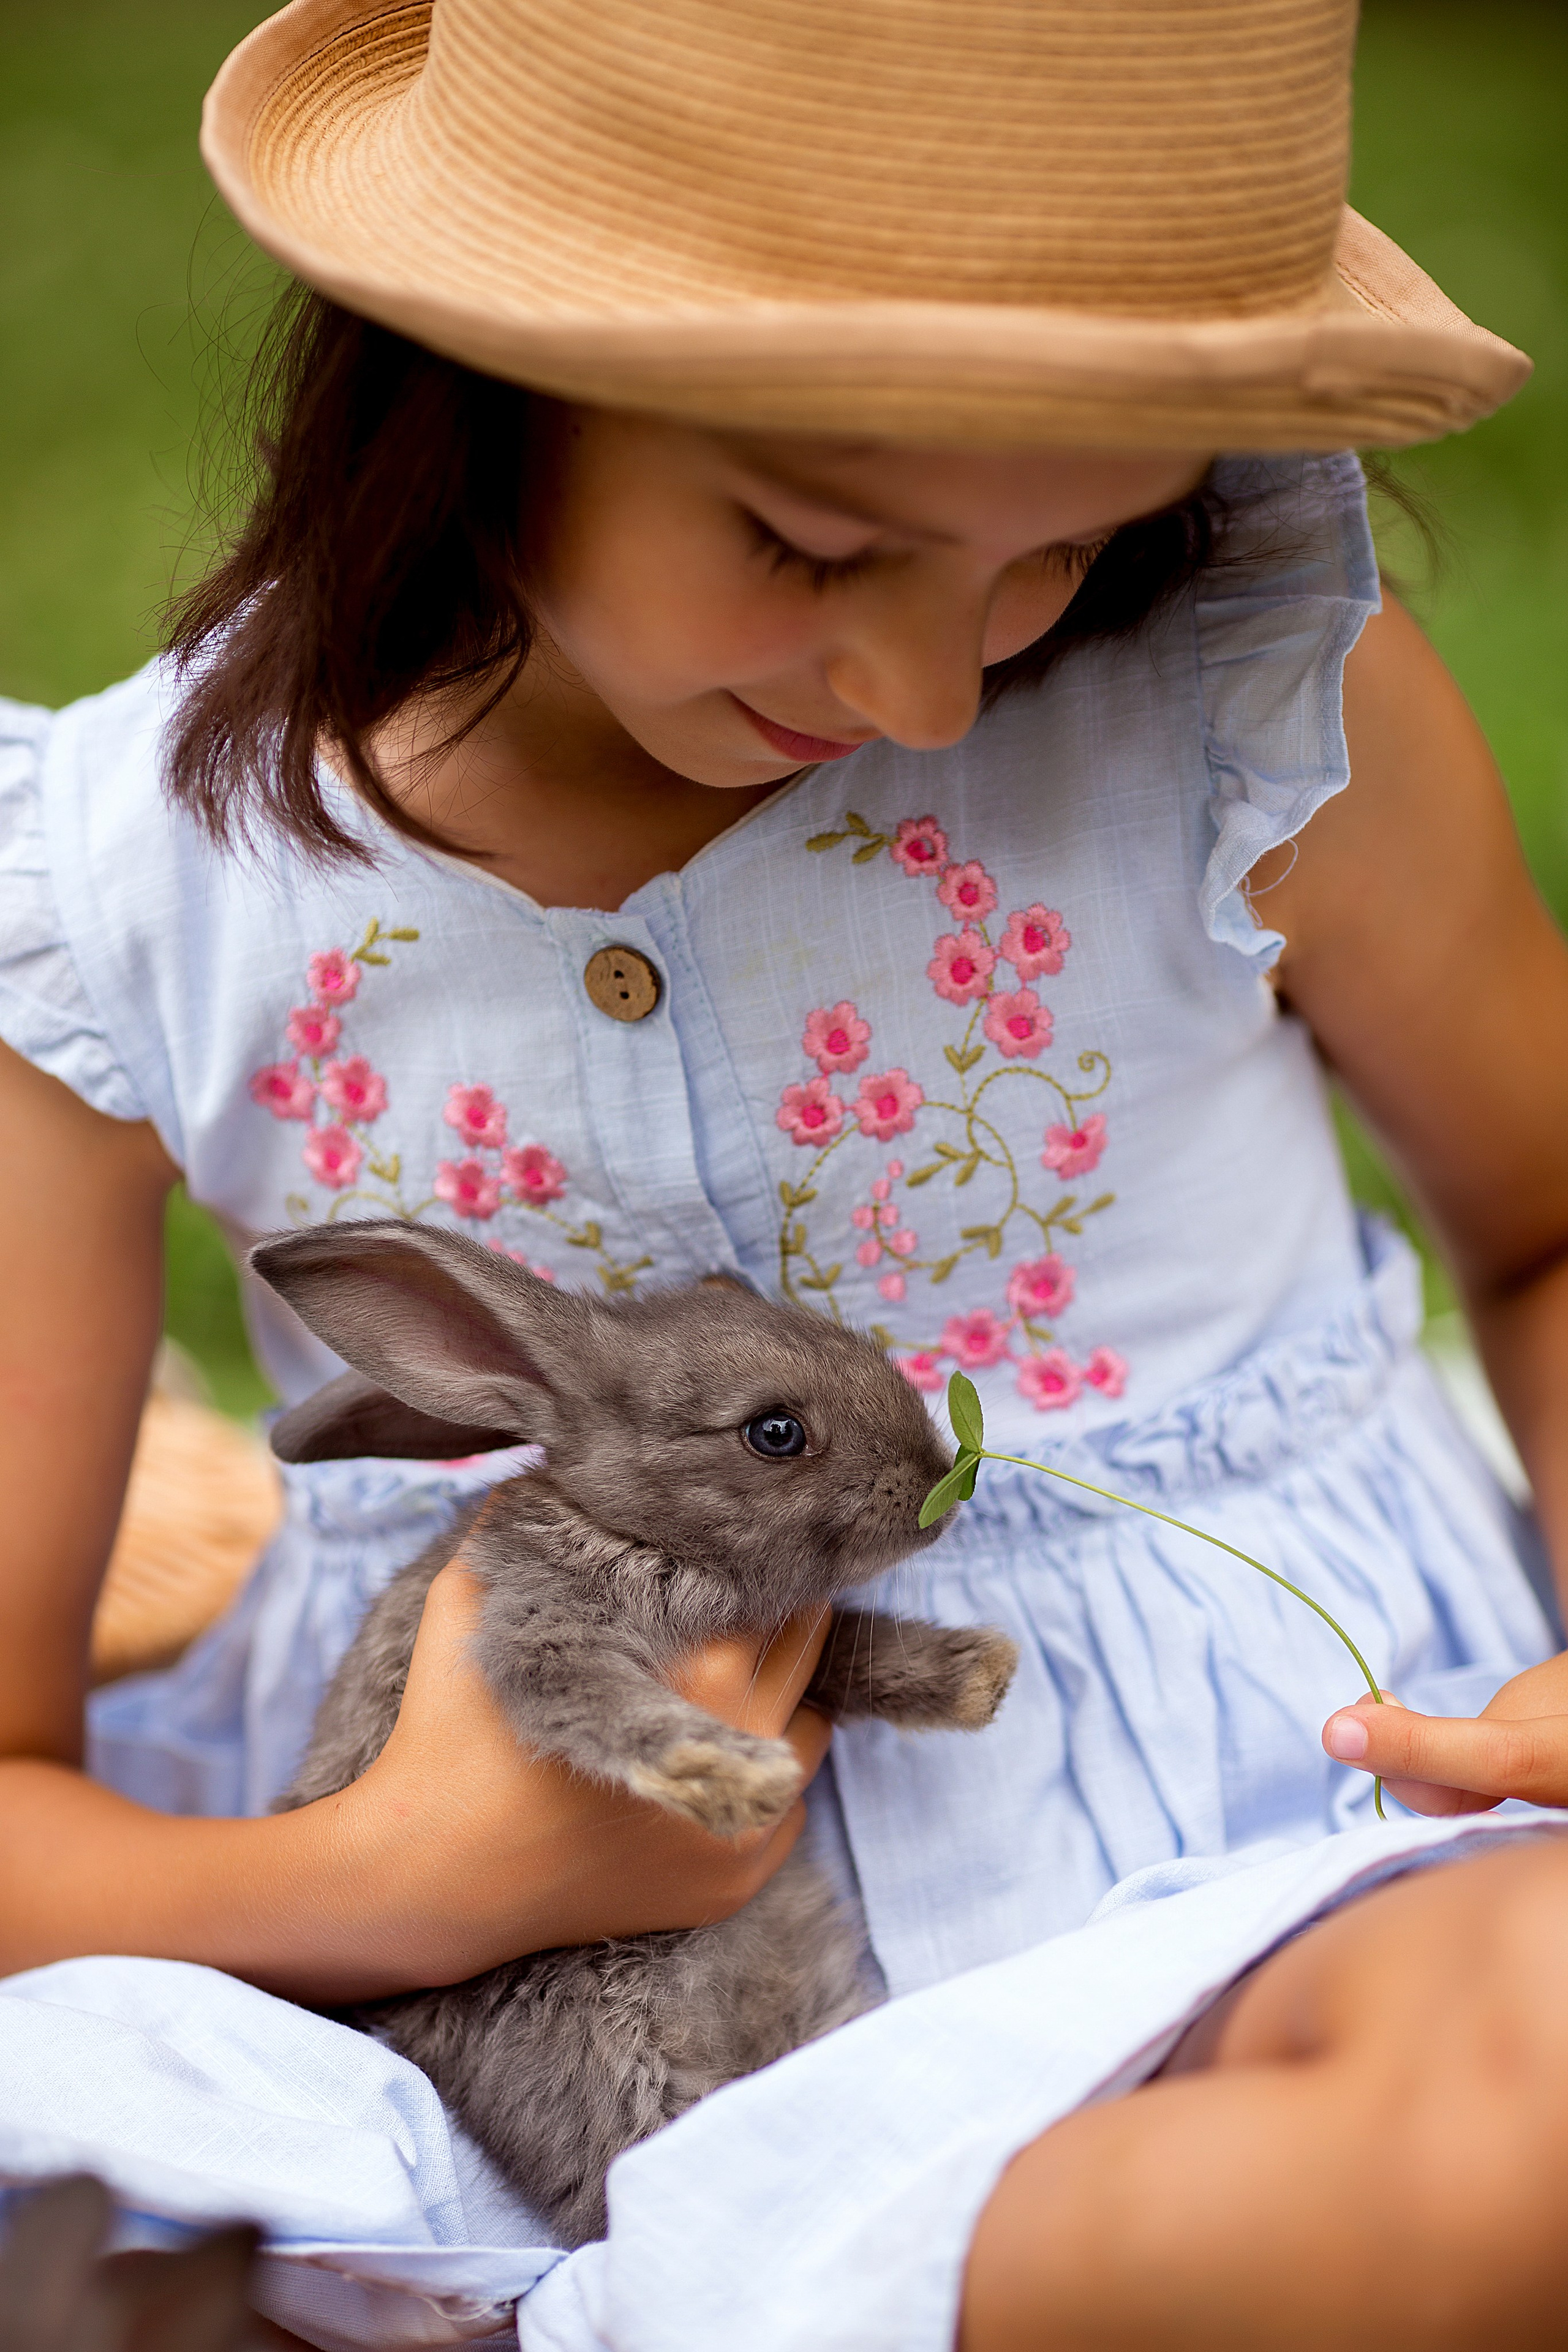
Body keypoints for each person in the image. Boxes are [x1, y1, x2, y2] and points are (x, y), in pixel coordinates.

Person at [2, 0, 1568, 2339]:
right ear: (476, 377)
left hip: (1264, 1888)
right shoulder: (127, 906)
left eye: (1062, 550)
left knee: (1527, 2109)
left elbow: (1546, 1218)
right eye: (813, 540)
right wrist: (395, 1879)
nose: (933, 686)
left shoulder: (1248, 702)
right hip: (473, 2055)